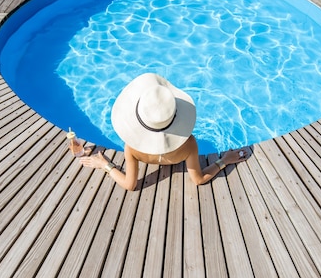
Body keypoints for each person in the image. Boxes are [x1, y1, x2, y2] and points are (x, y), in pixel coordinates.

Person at [79, 73, 248, 191]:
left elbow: (130, 185)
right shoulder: (188, 144)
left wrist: (105, 165)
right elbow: (198, 179)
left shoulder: (131, 147)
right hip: (177, 155)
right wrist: (224, 160)